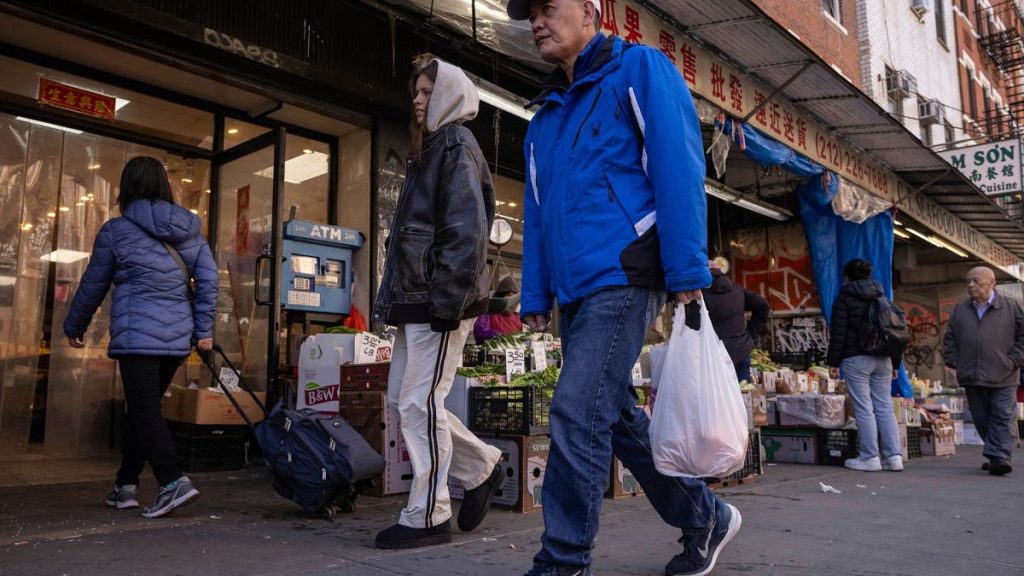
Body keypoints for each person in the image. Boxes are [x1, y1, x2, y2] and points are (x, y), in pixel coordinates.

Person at [507, 1, 741, 574]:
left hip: (628, 271)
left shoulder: (640, 69)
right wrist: (535, 294)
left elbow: (678, 168)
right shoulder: (544, 120)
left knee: (575, 410)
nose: (536, 20)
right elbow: (536, 213)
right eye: (528, 12)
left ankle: (563, 560)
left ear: (590, 10)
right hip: (577, 288)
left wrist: (687, 270)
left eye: (548, 7)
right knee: (608, 414)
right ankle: (703, 515)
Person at [371, 53, 504, 549]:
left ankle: (428, 514)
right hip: (418, 300)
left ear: (448, 93)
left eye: (427, 92)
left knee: (417, 401)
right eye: (416, 93)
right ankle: (482, 466)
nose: (418, 101)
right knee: (403, 401)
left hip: (437, 302)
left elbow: (466, 235)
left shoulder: (456, 145)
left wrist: (446, 303)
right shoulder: (432, 148)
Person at [63, 156, 218, 518]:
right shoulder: (189, 229)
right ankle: (125, 485)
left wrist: (75, 325)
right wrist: (204, 330)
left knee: (145, 407)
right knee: (143, 408)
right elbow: (209, 282)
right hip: (176, 339)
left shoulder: (116, 230)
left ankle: (172, 481)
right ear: (164, 185)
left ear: (127, 187)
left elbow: (93, 284)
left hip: (137, 336)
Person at [942, 266, 1024, 476]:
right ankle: (996, 455)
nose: (971, 285)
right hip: (972, 374)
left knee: (1003, 416)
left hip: (1004, 374)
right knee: (981, 418)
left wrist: (1013, 360)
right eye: (968, 281)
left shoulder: (1011, 306)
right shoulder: (961, 309)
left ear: (992, 283)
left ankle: (1000, 457)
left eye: (976, 281)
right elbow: (950, 337)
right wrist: (953, 359)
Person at [826, 259, 904, 473]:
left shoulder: (844, 298)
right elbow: (895, 331)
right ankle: (894, 457)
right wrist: (895, 362)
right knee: (885, 407)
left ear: (846, 277)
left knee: (864, 408)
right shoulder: (882, 297)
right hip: (884, 358)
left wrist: (833, 362)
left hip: (856, 358)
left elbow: (839, 333)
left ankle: (870, 457)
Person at [702, 259, 769, 383]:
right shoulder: (736, 290)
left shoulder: (702, 296)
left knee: (721, 400)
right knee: (745, 395)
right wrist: (750, 334)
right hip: (742, 350)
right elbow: (763, 305)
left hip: (717, 356)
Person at [474, 275, 524, 343]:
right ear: (500, 295)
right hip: (492, 351)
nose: (511, 299)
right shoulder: (490, 310)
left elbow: (524, 336)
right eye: (508, 295)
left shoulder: (520, 315)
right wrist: (500, 335)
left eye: (513, 296)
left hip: (515, 350)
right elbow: (480, 332)